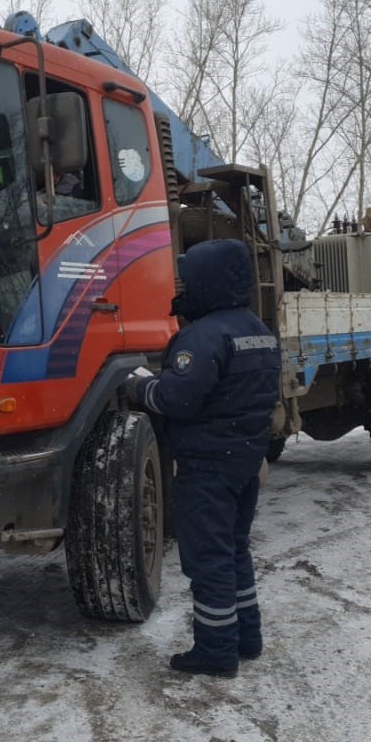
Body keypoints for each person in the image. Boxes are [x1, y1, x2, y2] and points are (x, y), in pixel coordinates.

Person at [125, 239, 282, 678]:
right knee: (234, 550)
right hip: (245, 460)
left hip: (208, 465)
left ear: (206, 280)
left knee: (208, 558)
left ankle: (215, 652)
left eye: (189, 276)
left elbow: (178, 397)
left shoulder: (204, 335)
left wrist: (140, 386)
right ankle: (247, 638)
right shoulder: (258, 329)